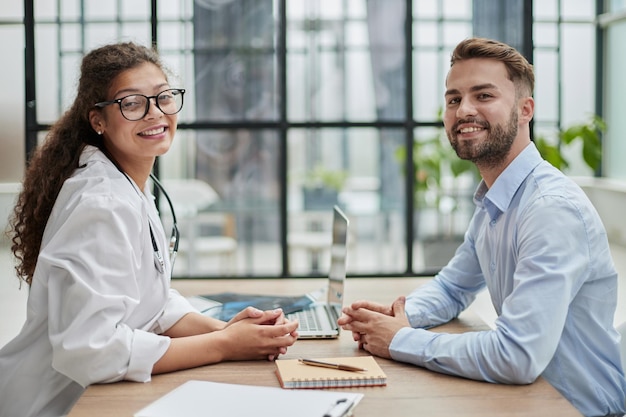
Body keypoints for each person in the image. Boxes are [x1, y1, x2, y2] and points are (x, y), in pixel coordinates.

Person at [0, 42, 298, 417]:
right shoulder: (102, 203)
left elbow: (148, 303)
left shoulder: (127, 185)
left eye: (163, 97)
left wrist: (225, 330)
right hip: (50, 406)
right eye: (132, 103)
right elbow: (91, 351)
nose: (155, 114)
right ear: (98, 120)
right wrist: (225, 346)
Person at [338, 37, 626, 417]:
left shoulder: (550, 210)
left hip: (577, 407)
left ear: (525, 110)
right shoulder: (496, 199)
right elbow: (453, 286)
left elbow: (517, 356)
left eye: (484, 96)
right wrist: (402, 314)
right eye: (454, 99)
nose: (464, 110)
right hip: (528, 400)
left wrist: (401, 340)